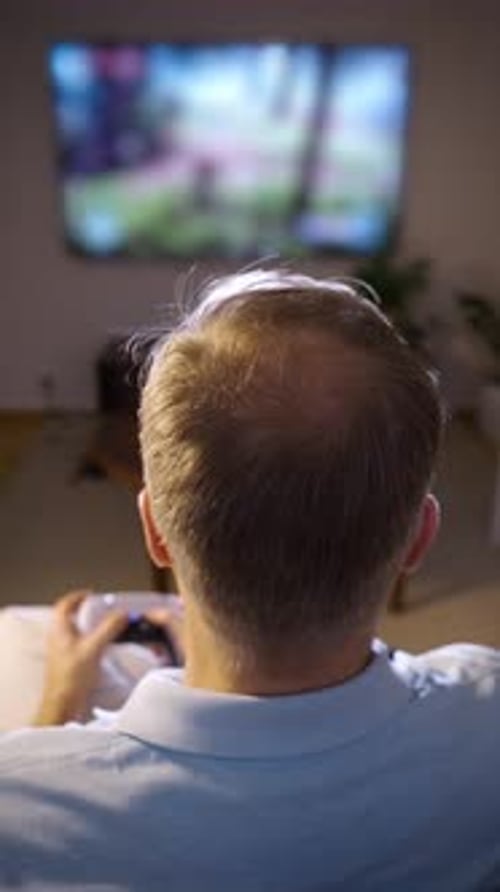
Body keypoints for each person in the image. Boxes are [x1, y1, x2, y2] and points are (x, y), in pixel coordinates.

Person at [1, 269, 499, 891]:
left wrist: (56, 705)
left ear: (155, 529)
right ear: (419, 538)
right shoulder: (489, 714)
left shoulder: (21, 808)